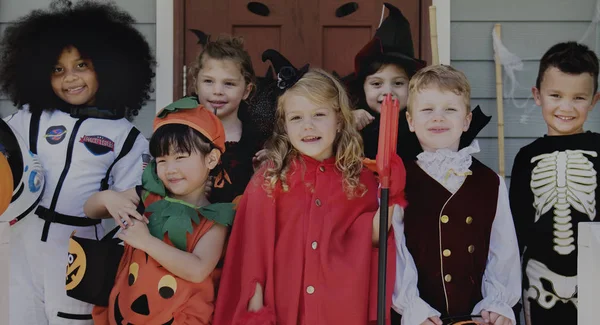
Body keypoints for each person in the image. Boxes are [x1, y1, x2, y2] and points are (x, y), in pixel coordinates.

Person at [0, 1, 154, 323]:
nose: (70, 78)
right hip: (20, 245)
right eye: (58, 69)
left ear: (108, 66)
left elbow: (133, 201)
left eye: (81, 65)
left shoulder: (126, 138)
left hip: (80, 252)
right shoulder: (30, 118)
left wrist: (110, 202)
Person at [213, 68, 406, 325]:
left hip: (336, 311)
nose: (308, 126)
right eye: (296, 118)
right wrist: (256, 315)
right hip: (282, 310)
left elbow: (372, 236)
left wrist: (392, 192)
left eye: (319, 114)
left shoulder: (360, 180)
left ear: (339, 120)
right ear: (284, 125)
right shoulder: (270, 179)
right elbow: (252, 253)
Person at [392, 65, 521, 325]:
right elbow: (396, 253)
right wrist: (413, 308)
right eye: (427, 110)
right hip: (421, 318)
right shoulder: (398, 181)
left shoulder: (490, 182)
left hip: (476, 318)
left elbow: (502, 250)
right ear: (410, 121)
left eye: (450, 109)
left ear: (466, 121)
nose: (438, 118)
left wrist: (496, 304)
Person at [86, 105, 234, 324]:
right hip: (126, 314)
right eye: (162, 160)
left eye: (180, 157)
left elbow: (197, 269)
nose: (170, 168)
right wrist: (108, 198)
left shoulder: (213, 221)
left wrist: (145, 241)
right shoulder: (146, 199)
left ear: (211, 159)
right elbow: (90, 210)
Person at [509, 41, 600, 325]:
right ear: (538, 95)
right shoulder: (527, 157)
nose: (566, 107)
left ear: (594, 100)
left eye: (578, 98)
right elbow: (517, 229)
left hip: (595, 282)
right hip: (540, 283)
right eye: (556, 95)